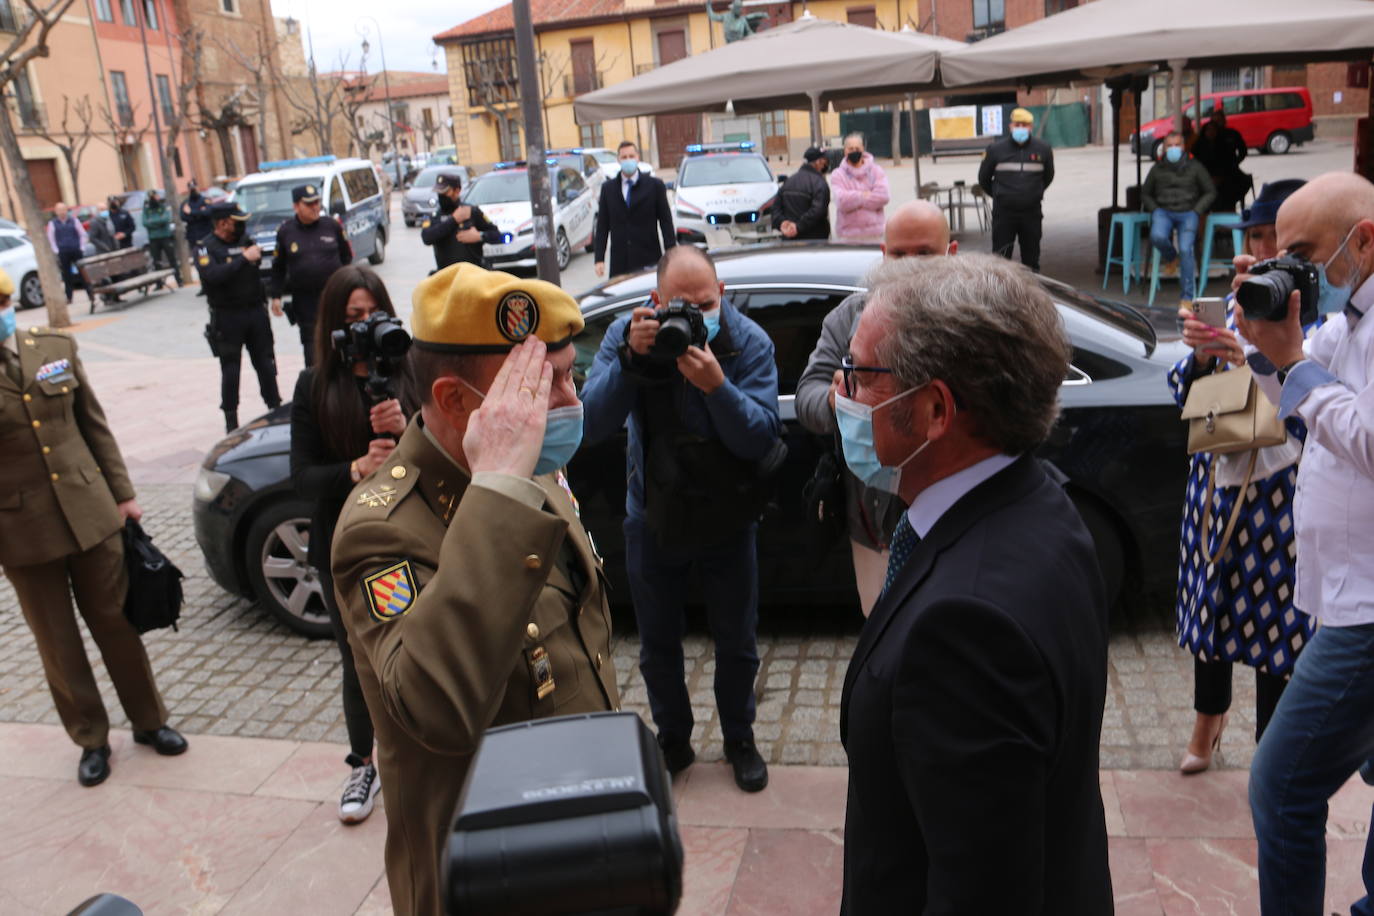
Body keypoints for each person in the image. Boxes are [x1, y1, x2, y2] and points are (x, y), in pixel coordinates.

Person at [330, 263, 619, 916]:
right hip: (486, 870)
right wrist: (495, 494)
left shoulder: (533, 465)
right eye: (541, 386)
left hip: (571, 830)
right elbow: (434, 706)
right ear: (457, 401)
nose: (571, 401)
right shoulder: (381, 529)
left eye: (570, 374)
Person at [838, 253, 1111, 914]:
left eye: (858, 375)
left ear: (935, 409)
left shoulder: (964, 627)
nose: (839, 395)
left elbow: (982, 888)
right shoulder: (1038, 498)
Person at [581, 245, 783, 792]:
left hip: (728, 517)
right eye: (682, 304)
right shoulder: (629, 335)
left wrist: (717, 387)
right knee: (657, 645)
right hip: (651, 517)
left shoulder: (746, 342)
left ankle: (740, 738)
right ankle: (674, 738)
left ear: (722, 295)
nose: (697, 314)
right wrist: (628, 359)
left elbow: (760, 437)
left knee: (737, 641)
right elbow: (591, 422)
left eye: (707, 302)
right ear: (656, 300)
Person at [1240, 171, 1374, 915]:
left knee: (1281, 784)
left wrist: (1291, 361)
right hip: (1344, 595)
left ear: (1364, 239)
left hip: (1368, 612)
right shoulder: (1347, 315)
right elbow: (1290, 402)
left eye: (1303, 252)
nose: (1295, 267)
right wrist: (1261, 338)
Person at [0, 267, 188, 787]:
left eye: (2, 304)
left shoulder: (53, 346)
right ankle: (90, 737)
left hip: (90, 511)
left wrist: (123, 493)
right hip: (21, 532)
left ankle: (150, 722)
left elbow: (92, 422)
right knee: (58, 643)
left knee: (118, 625)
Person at [1167, 179, 1314, 775]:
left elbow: (1316, 414)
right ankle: (1208, 720)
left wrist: (1255, 355)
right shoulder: (1236, 302)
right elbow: (1184, 392)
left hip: (1280, 493)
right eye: (1254, 235)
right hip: (1217, 477)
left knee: (1277, 621)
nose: (1261, 248)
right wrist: (1205, 356)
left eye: (1274, 236)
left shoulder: (1316, 316)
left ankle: (1270, 746)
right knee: (1211, 608)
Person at [796, 200, 956, 615]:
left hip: (955, 518)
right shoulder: (849, 318)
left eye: (924, 254)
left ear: (951, 254)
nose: (909, 265)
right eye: (899, 254)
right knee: (883, 629)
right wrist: (836, 401)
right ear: (883, 256)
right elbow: (807, 397)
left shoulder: (972, 323)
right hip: (873, 524)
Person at [290, 265, 408, 824]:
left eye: (374, 314)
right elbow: (300, 478)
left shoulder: (412, 370)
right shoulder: (313, 385)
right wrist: (356, 467)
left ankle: (423, 751)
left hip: (409, 541)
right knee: (357, 658)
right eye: (353, 318)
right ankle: (363, 761)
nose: (365, 328)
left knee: (416, 650)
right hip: (344, 548)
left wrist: (409, 431)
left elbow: (450, 453)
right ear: (334, 325)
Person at [196, 200, 281, 433]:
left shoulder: (246, 242)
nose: (242, 226)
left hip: (254, 312)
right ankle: (231, 420)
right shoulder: (206, 247)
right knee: (231, 370)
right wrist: (242, 259)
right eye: (236, 222)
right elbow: (212, 275)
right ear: (223, 223)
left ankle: (275, 408)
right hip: (227, 317)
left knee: (265, 363)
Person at [269, 183, 353, 367]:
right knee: (312, 352)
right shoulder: (286, 231)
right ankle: (316, 390)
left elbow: (347, 257)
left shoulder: (331, 225)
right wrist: (275, 296)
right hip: (306, 301)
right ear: (296, 206)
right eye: (309, 204)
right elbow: (279, 267)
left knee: (342, 344)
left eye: (317, 202)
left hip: (335, 297)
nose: (315, 207)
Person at [1143, 131, 1215, 306]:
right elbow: (1145, 193)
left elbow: (1210, 191)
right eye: (1170, 145)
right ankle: (1171, 257)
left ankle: (1187, 298)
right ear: (1164, 148)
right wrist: (1155, 209)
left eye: (1177, 145)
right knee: (1157, 236)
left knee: (1186, 249)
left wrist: (1197, 210)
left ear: (1184, 147)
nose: (1173, 149)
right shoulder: (1156, 169)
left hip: (1188, 213)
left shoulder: (1195, 167)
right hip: (1164, 212)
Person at [978, 107, 1055, 271]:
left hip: (1031, 213)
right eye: (1017, 124)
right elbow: (983, 179)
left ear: (1031, 127)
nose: (1021, 128)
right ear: (1010, 127)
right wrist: (1000, 194)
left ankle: (1032, 294)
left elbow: (1048, 177)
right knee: (1000, 260)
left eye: (1025, 125)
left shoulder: (1043, 149)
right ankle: (999, 296)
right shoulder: (995, 150)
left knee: (1031, 259)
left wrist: (1032, 193)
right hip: (1004, 213)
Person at [594, 140, 675, 278]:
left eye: (631, 156)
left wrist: (672, 255)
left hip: (649, 258)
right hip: (620, 262)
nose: (628, 160)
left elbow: (666, 223)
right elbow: (602, 226)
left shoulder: (654, 186)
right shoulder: (608, 189)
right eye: (624, 157)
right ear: (618, 160)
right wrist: (599, 259)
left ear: (638, 158)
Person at [419, 171, 503, 273]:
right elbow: (426, 238)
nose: (441, 195)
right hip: (447, 276)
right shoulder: (433, 216)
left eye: (445, 192)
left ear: (457, 191)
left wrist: (480, 236)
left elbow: (497, 235)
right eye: (439, 192)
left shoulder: (471, 211)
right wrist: (454, 220)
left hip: (473, 274)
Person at [831, 133, 889, 242]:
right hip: (847, 236)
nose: (854, 151)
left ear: (863, 149)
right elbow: (841, 201)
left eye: (857, 148)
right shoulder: (838, 174)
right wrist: (863, 195)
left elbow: (883, 196)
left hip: (875, 235)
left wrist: (853, 199)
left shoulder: (876, 170)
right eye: (850, 148)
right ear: (845, 150)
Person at [1192, 108, 1249, 213]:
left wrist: (1234, 164)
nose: (1212, 131)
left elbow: (1241, 152)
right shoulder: (1200, 144)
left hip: (1228, 175)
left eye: (1219, 121)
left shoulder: (1229, 137)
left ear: (1224, 121)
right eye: (1214, 122)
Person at [773, 147, 831, 240]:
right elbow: (818, 211)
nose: (825, 165)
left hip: (790, 241)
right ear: (818, 162)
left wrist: (782, 223)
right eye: (824, 162)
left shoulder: (788, 182)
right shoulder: (819, 183)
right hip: (815, 240)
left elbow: (776, 209)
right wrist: (797, 227)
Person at [46, 202, 89, 305]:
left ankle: (90, 293)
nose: (62, 212)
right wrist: (57, 251)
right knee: (67, 276)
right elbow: (51, 239)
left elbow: (82, 234)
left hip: (76, 250)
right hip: (63, 252)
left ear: (66, 210)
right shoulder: (53, 223)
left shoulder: (74, 220)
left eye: (63, 209)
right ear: (56, 212)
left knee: (83, 273)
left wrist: (81, 247)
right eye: (59, 210)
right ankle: (69, 297)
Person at [141, 190, 175, 273]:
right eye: (151, 197)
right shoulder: (146, 209)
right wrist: (159, 222)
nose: (154, 198)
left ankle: (179, 280)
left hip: (165, 237)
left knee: (172, 259)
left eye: (155, 196)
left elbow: (166, 219)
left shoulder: (163, 206)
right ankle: (159, 283)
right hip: (153, 239)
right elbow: (145, 222)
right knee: (156, 262)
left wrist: (152, 222)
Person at [181, 178, 211, 246]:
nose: (193, 190)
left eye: (194, 188)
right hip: (193, 236)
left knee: (209, 255)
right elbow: (183, 217)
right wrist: (200, 213)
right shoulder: (185, 203)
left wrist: (191, 212)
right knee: (197, 256)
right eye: (191, 188)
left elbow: (208, 213)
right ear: (188, 189)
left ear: (198, 188)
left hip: (206, 234)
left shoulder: (205, 200)